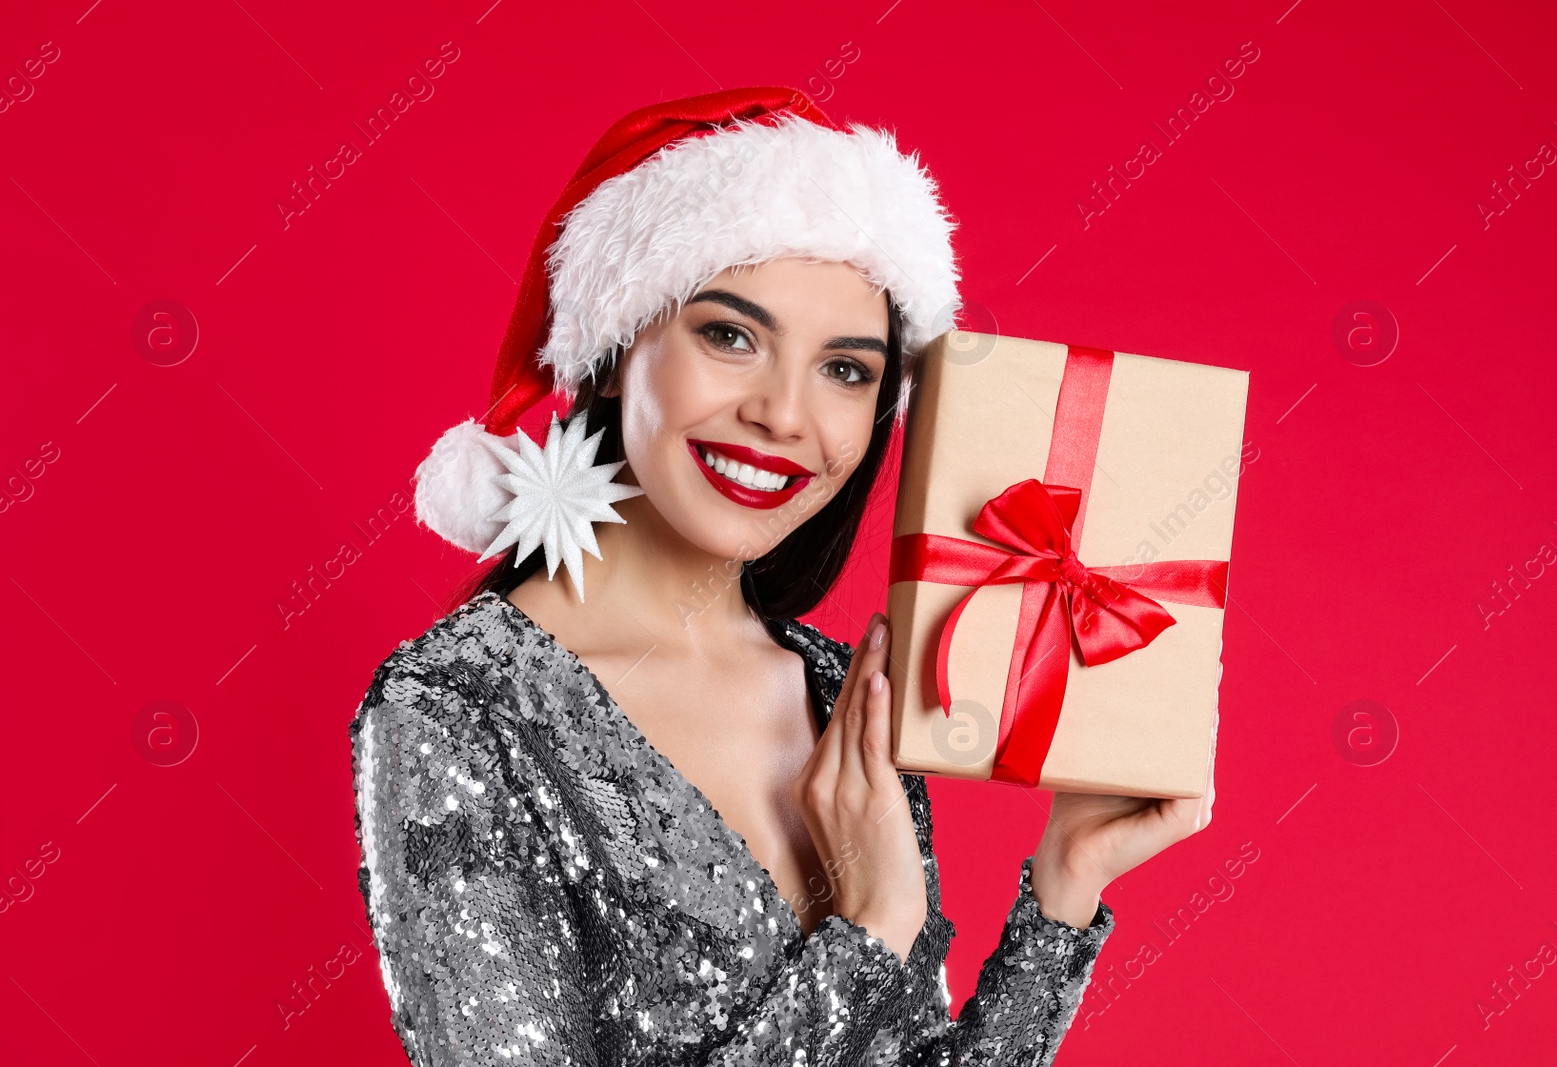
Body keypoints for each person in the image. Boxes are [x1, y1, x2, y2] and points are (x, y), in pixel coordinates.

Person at [349, 87, 1216, 1065]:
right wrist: (871, 931)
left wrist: (1064, 883)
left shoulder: (842, 686)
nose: (784, 415)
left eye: (845, 369)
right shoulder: (457, 703)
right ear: (611, 349)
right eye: (729, 334)